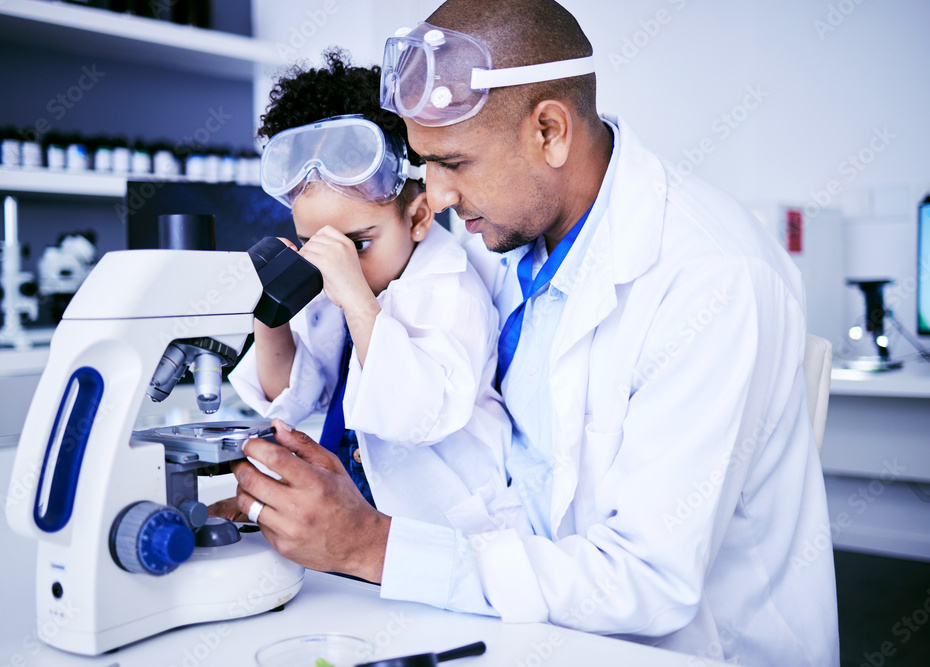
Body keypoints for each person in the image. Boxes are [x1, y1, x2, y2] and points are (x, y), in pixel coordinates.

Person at [230, 2, 840, 665]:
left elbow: (646, 582)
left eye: (454, 162)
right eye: (423, 162)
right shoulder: (498, 239)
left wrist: (368, 543)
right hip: (519, 628)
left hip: (678, 649)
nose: (434, 195)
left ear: (550, 131)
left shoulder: (712, 279)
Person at [227, 51, 518, 534]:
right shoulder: (330, 286)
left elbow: (413, 413)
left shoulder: (451, 291)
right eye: (314, 244)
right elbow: (293, 394)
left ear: (419, 217)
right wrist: (269, 311)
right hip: (351, 517)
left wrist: (359, 303)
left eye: (358, 243)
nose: (334, 262)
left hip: (438, 533)